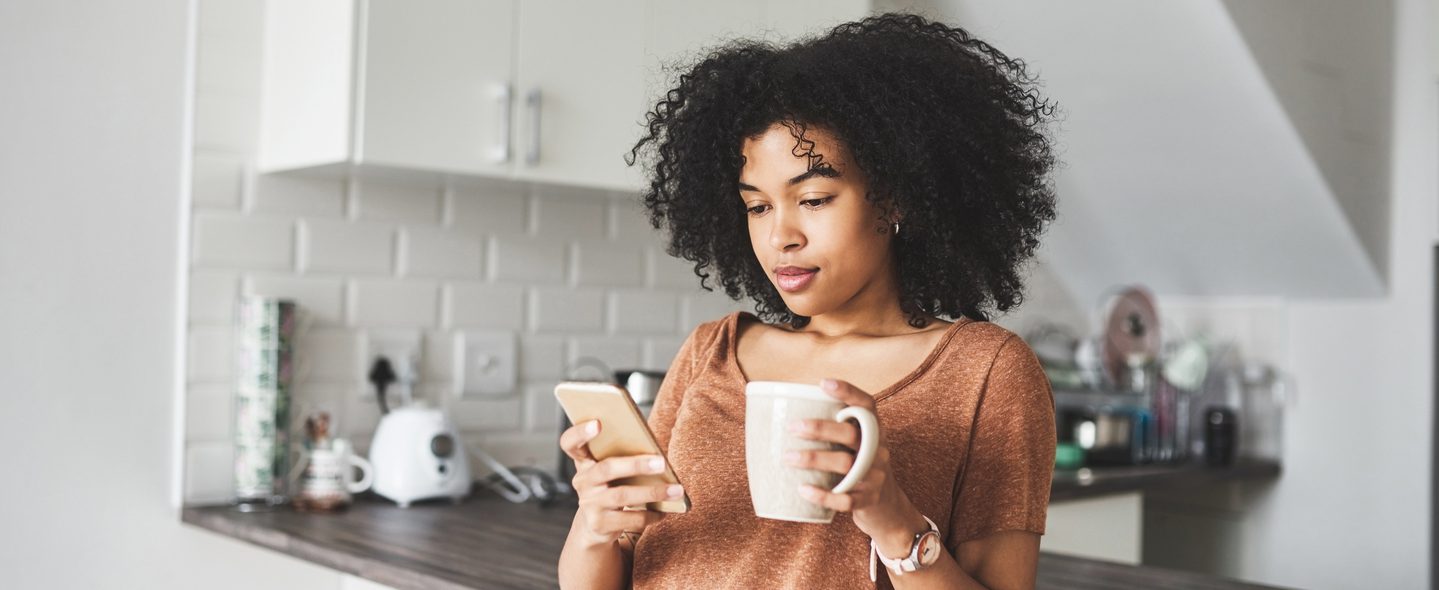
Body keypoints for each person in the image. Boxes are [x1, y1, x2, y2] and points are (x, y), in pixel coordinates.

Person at [558, 11, 1058, 590]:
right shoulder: (710, 351)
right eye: (758, 206)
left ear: (895, 198)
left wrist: (893, 522)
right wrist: (594, 528)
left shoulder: (987, 373)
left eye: (815, 199)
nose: (780, 237)